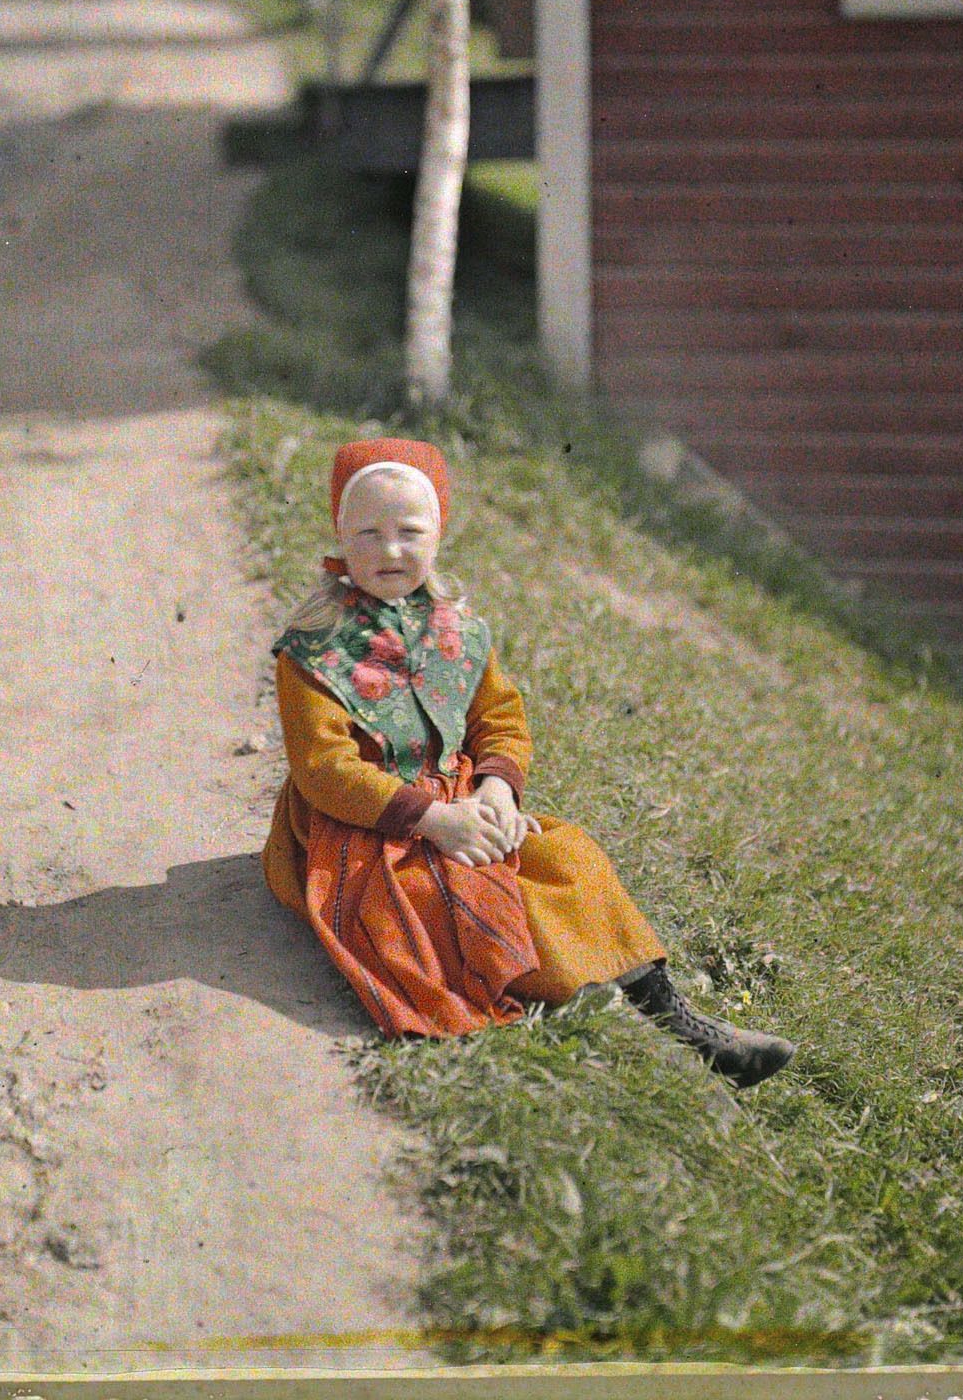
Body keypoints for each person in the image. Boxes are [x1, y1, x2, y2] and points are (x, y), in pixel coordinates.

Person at [262, 436, 795, 1089]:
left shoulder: (455, 630)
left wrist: (494, 791)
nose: (390, 550)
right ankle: (608, 1013)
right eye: (368, 533)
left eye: (409, 531)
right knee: (445, 896)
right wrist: (434, 820)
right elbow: (323, 769)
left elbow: (499, 718)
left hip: (457, 797)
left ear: (438, 534)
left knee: (567, 856)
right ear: (340, 536)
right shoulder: (313, 649)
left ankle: (672, 1012)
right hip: (363, 819)